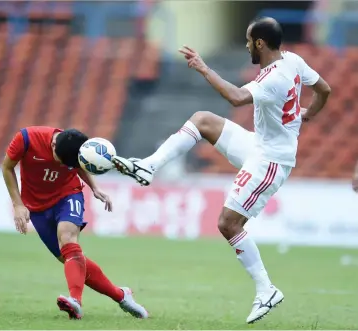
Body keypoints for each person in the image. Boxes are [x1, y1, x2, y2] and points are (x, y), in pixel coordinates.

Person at [112, 17, 331, 323]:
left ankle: (266, 289)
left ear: (260, 43)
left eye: (248, 40)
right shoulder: (293, 60)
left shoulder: (274, 78)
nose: (245, 46)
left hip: (270, 160)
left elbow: (237, 97)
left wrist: (204, 68)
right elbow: (324, 89)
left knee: (228, 224)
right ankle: (149, 166)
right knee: (202, 119)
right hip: (259, 144)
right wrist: (307, 114)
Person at [2, 126, 148, 320]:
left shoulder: (75, 149)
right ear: (53, 144)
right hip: (36, 207)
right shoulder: (27, 138)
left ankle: (75, 302)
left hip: (67, 195)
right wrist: (18, 204)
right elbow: (7, 167)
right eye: (59, 160)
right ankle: (121, 296)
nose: (60, 165)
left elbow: (81, 166)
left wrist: (94, 188)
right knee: (71, 259)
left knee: (68, 239)